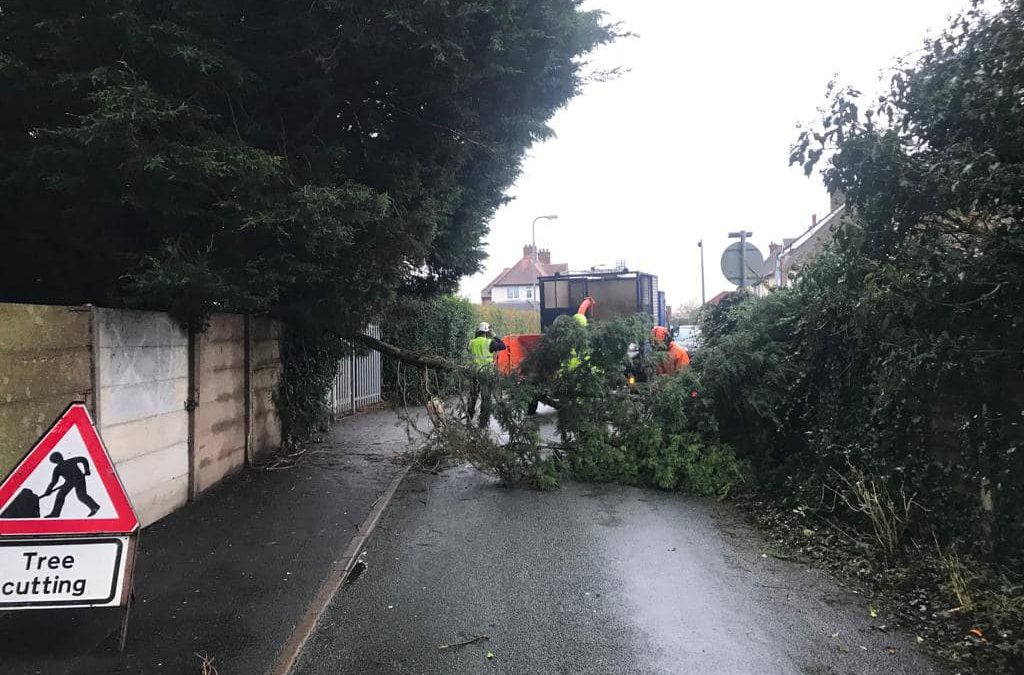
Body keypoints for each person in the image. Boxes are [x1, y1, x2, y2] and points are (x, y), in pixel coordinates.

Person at [467, 322, 506, 427]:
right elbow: (503, 346)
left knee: (473, 396)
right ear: (487, 332)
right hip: (486, 374)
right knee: (485, 398)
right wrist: (494, 335)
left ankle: (468, 420)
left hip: (474, 373)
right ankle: (483, 423)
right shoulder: (489, 343)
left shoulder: (471, 342)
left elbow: (469, 349)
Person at [42, 452, 100, 518]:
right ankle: (95, 507)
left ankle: (55, 514)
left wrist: (87, 470)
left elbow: (83, 459)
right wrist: (48, 490)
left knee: (61, 495)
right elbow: (54, 481)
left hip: (76, 479)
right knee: (81, 495)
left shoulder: (59, 468)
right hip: (76, 479)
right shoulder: (59, 468)